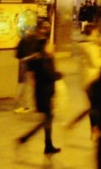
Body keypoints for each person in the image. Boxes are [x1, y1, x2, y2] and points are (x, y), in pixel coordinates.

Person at [15, 20, 62, 155]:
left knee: (48, 117)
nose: (47, 30)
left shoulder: (42, 54)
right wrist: (58, 75)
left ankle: (46, 143)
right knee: (48, 117)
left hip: (45, 87)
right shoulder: (41, 55)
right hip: (43, 88)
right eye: (45, 28)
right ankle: (28, 138)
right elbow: (46, 72)